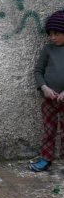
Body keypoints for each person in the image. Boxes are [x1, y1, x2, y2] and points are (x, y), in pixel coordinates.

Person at [30, 10, 64, 172]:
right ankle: (46, 158)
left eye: (57, 33)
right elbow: (38, 71)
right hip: (49, 98)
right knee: (49, 130)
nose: (52, 37)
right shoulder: (48, 50)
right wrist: (44, 88)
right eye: (50, 34)